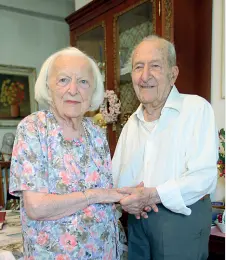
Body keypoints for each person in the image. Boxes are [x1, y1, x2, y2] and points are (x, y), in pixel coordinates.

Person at [9, 47, 127, 259]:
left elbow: (107, 197)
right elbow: (36, 207)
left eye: (83, 82)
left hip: (105, 251)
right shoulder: (33, 129)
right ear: (48, 86)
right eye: (63, 80)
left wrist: (127, 198)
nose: (73, 89)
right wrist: (94, 195)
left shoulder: (97, 133)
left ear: (93, 91)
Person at [113, 35, 219, 260]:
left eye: (155, 66)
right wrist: (126, 201)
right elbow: (115, 178)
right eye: (138, 67)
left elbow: (204, 177)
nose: (144, 76)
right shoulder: (131, 123)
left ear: (173, 74)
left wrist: (153, 195)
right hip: (137, 220)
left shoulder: (196, 109)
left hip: (181, 220)